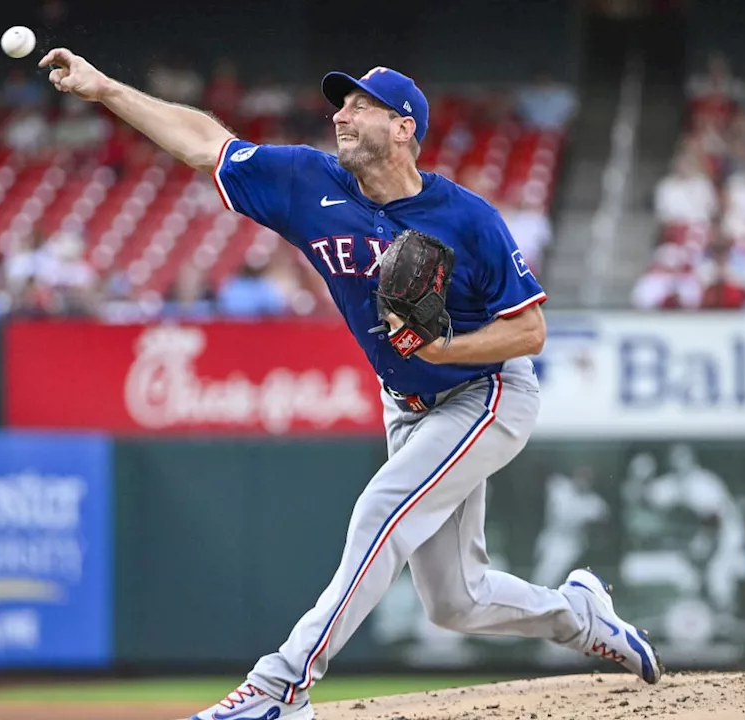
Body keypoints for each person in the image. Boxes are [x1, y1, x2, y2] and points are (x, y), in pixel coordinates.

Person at [40, 48, 664, 720]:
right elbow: (206, 146)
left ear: (404, 128)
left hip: (488, 394)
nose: (343, 113)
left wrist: (443, 345)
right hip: (409, 406)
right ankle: (581, 615)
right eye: (342, 102)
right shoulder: (310, 183)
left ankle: (280, 688)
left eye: (361, 104)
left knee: (381, 509)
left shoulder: (466, 217)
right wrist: (107, 89)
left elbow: (531, 332)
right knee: (456, 602)